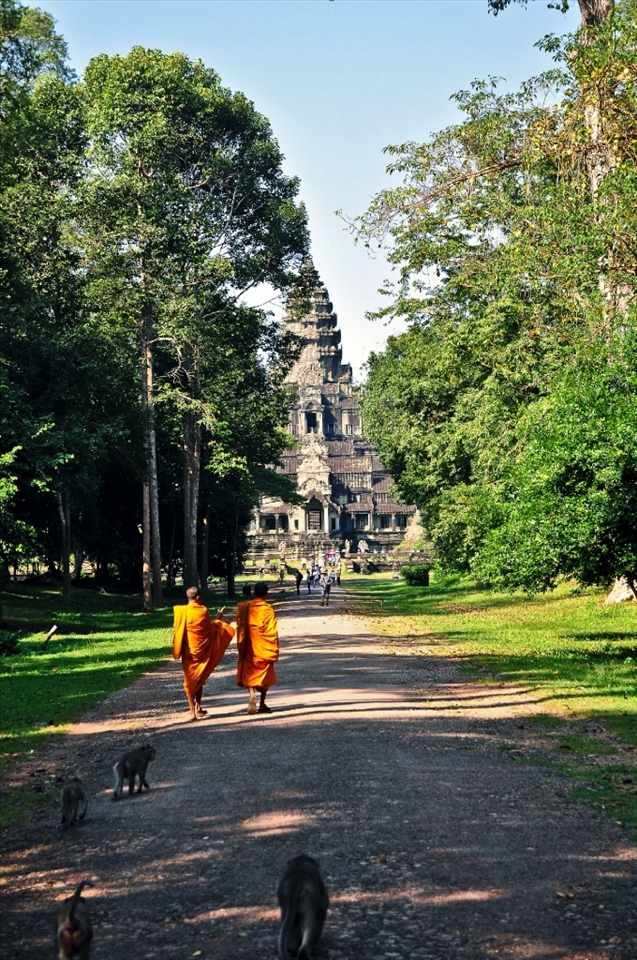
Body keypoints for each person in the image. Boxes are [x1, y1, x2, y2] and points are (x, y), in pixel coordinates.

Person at [172, 586, 235, 721]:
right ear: (198, 597)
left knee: (190, 679)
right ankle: (197, 707)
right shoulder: (203, 611)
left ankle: (193, 711)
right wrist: (218, 619)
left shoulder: (180, 612)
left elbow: (178, 630)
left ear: (188, 597)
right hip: (201, 650)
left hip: (188, 650)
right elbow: (209, 631)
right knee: (199, 677)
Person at [235, 581, 279, 715]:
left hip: (249, 646)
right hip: (263, 647)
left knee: (249, 671)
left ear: (254, 593)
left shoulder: (245, 607)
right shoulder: (268, 609)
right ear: (266, 594)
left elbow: (239, 624)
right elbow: (272, 631)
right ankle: (262, 704)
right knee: (264, 673)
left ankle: (252, 694)